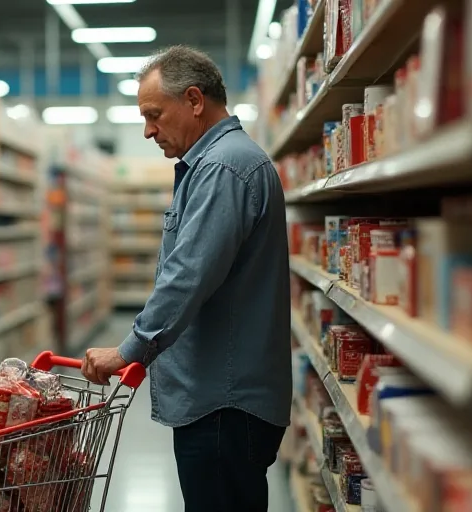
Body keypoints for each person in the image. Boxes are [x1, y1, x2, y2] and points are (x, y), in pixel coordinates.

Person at [81, 45, 291, 512]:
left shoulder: (223, 167)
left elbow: (187, 275)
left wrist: (129, 350)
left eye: (154, 115)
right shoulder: (222, 162)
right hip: (223, 398)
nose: (148, 130)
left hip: (224, 403)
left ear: (194, 100)